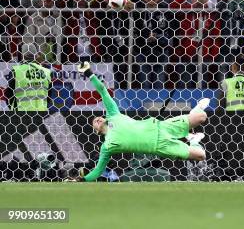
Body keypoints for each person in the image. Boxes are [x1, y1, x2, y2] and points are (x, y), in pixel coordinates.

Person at [71, 62, 209, 182]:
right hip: (159, 146)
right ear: (97, 131)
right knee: (201, 155)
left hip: (160, 127)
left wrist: (89, 73)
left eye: (98, 117)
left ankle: (193, 118)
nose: (97, 119)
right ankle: (194, 139)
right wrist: (82, 179)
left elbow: (102, 91)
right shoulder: (107, 146)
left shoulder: (113, 114)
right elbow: (98, 171)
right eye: (95, 122)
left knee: (201, 117)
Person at [4, 45, 52, 112]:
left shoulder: (16, 71)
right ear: (36, 55)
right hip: (41, 112)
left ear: (23, 55)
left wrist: (14, 109)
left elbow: (8, 94)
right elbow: (49, 93)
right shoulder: (46, 71)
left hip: (22, 112)